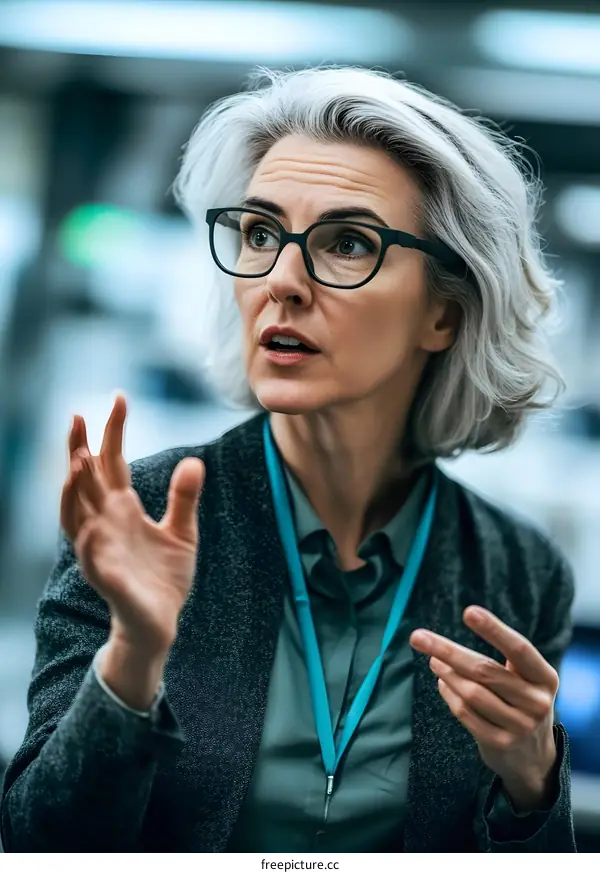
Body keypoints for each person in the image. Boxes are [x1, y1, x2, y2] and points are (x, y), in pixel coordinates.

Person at [0, 66, 576, 853]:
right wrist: (132, 657)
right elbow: (39, 844)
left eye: (348, 243)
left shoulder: (518, 569)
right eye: (261, 234)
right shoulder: (143, 512)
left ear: (444, 313)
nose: (281, 281)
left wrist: (532, 781)